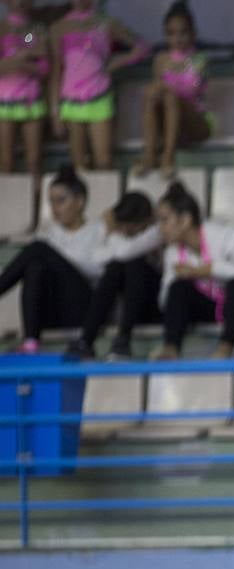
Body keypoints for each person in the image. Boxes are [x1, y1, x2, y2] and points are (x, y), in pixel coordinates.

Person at [151, 183, 234, 360]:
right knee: (178, 287)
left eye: (164, 220)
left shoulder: (224, 235)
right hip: (216, 308)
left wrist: (209, 270)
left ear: (185, 220)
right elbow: (165, 300)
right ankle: (171, 348)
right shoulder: (172, 252)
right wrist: (180, 280)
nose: (159, 228)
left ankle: (225, 348)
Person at [0, 165, 101, 353]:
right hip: (55, 310)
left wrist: (59, 261)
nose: (55, 208)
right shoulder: (49, 233)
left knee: (38, 249)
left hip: (85, 307)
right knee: (35, 266)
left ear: (79, 201)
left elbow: (100, 269)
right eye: (51, 202)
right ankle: (31, 341)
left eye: (61, 201)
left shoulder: (98, 229)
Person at [47, 0, 149, 171]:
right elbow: (56, 72)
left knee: (104, 161)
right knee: (79, 164)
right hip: (71, 101)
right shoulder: (59, 28)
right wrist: (55, 111)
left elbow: (142, 47)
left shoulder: (106, 23)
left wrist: (117, 62)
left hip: (100, 96)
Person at [65, 191, 163, 361]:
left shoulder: (157, 231)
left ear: (146, 221)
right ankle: (86, 341)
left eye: (130, 227)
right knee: (115, 267)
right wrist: (114, 237)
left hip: (157, 306)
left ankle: (123, 339)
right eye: (122, 227)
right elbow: (97, 258)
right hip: (131, 307)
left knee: (134, 262)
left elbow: (125, 252)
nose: (125, 231)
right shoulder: (122, 237)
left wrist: (112, 233)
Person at [134, 2, 211, 181]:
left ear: (193, 34)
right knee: (152, 93)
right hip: (169, 122)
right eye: (171, 33)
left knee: (170, 96)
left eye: (183, 33)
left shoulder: (200, 59)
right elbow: (155, 96)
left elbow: (193, 91)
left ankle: (168, 156)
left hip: (195, 122)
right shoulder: (161, 59)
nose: (177, 39)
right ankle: (150, 153)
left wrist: (168, 87)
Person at [0, 0, 50, 182]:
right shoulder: (2, 28)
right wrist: (24, 57)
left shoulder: (34, 31)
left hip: (31, 101)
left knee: (34, 161)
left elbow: (44, 68)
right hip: (5, 102)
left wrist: (20, 58)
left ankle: (35, 208)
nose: (20, 2)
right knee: (5, 161)